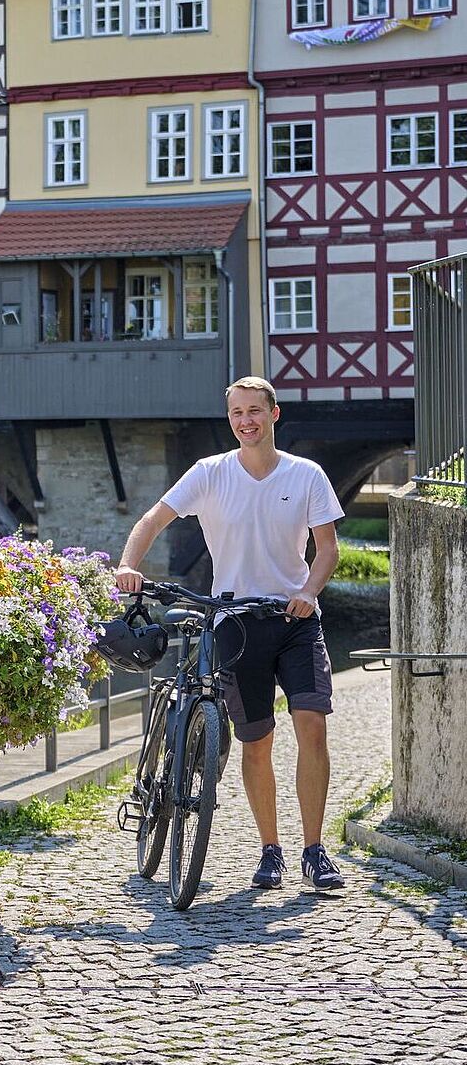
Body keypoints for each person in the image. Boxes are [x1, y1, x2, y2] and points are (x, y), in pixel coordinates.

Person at [115, 375, 345, 892]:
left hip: (295, 620)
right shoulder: (210, 473)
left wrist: (309, 591)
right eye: (237, 413)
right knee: (256, 741)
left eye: (254, 411)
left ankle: (314, 848)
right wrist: (129, 564)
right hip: (235, 623)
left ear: (274, 415)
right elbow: (154, 518)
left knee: (312, 724)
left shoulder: (306, 475)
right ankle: (271, 850)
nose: (246, 421)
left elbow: (327, 548)